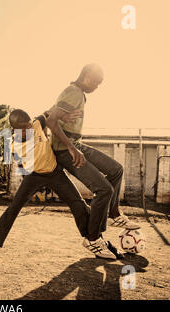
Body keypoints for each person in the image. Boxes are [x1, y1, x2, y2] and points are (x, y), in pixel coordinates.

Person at [0, 109, 121, 260]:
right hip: (34, 176)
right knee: (14, 208)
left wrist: (65, 114)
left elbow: (50, 112)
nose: (28, 130)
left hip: (55, 173)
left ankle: (95, 239)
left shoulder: (36, 123)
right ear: (14, 130)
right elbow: (25, 166)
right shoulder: (15, 145)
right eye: (23, 129)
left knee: (78, 203)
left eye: (29, 126)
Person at [48, 63, 140, 241]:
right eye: (96, 82)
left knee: (116, 169)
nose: (97, 87)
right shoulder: (73, 92)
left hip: (76, 144)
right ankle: (92, 238)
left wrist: (66, 125)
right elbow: (52, 121)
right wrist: (71, 147)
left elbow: (51, 113)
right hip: (65, 151)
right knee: (104, 190)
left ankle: (113, 213)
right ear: (87, 75)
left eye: (100, 84)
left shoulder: (78, 93)